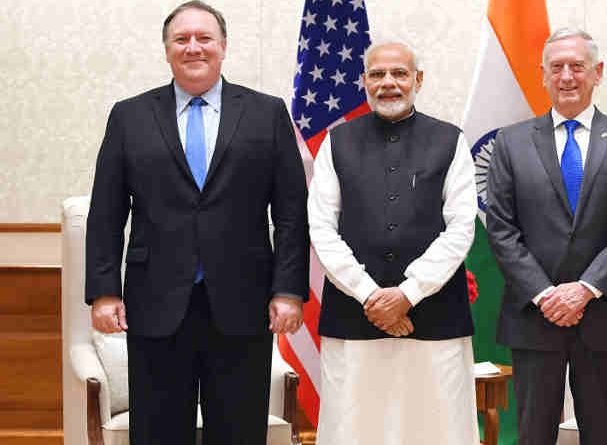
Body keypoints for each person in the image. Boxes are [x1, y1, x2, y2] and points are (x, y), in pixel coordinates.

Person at [84, 2, 309, 443]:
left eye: (204, 38)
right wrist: (105, 290)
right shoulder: (129, 116)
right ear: (166, 50)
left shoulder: (267, 113)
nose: (193, 48)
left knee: (239, 429)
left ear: (223, 47)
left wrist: (288, 290)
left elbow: (290, 213)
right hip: (156, 303)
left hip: (244, 303)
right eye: (181, 39)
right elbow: (107, 211)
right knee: (159, 430)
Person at [486, 27, 607, 445]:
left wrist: (584, 289)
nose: (566, 76)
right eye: (556, 67)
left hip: (604, 313)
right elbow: (502, 229)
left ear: (597, 72)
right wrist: (547, 295)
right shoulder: (511, 143)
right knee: (532, 434)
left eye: (577, 67)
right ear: (543, 75)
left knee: (600, 433)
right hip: (533, 314)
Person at [307, 40, 480, 445]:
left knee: (437, 429)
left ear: (418, 79)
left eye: (400, 73)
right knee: (354, 429)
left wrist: (408, 293)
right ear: (363, 81)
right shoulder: (337, 142)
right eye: (378, 74)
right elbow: (322, 228)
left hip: (435, 317)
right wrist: (372, 296)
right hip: (354, 317)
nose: (389, 83)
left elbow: (460, 229)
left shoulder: (450, 140)